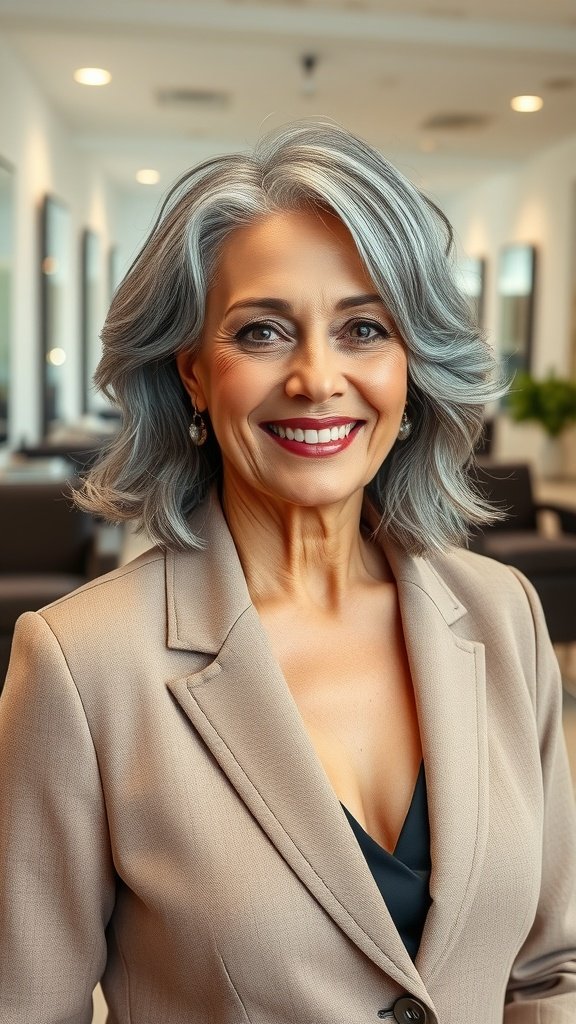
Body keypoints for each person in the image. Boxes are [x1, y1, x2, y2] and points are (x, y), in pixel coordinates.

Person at [1, 119, 575, 1024]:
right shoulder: (81, 667)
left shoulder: (502, 614)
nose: (316, 378)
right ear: (193, 372)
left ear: (411, 367)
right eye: (262, 331)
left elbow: (549, 971)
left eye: (364, 329)